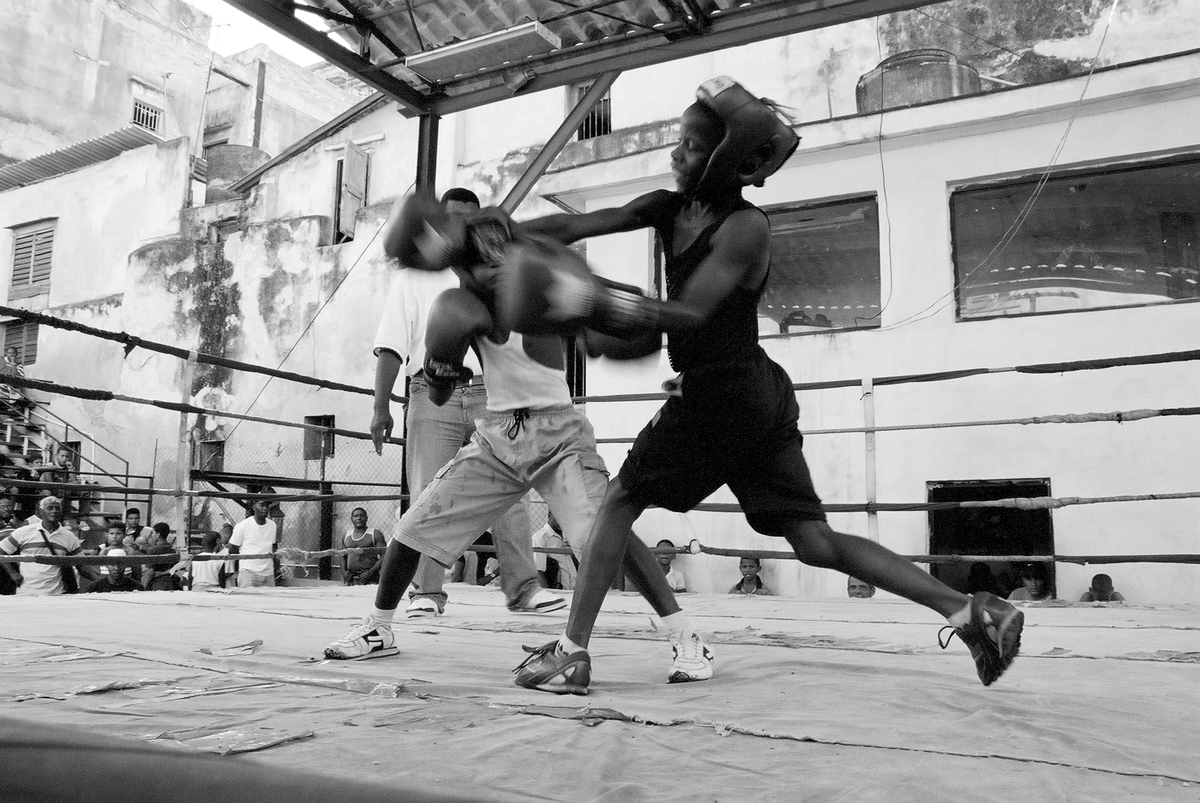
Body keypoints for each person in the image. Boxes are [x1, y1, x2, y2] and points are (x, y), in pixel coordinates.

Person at [501, 76, 1023, 691]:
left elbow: (691, 313)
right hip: (753, 395)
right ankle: (970, 611)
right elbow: (583, 224)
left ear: (727, 160)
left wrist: (591, 302)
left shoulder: (746, 227)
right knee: (814, 543)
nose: (676, 155)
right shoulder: (667, 207)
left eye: (692, 147)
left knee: (618, 501)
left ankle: (571, 652)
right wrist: (505, 236)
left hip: (723, 394)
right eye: (680, 142)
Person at [322, 191, 707, 693]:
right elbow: (438, 396)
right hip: (499, 437)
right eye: (480, 262)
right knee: (415, 525)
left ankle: (686, 636)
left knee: (600, 534)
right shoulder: (460, 302)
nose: (495, 269)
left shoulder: (535, 249)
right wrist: (440, 368)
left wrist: (670, 211)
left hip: (560, 435)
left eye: (500, 258)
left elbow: (607, 217)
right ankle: (377, 628)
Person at [366, 187, 564, 618]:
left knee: (510, 488)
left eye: (467, 218)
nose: (457, 226)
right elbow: (391, 343)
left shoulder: (495, 269)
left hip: (492, 392)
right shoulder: (414, 276)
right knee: (427, 493)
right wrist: (380, 407)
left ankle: (523, 587)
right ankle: (426, 592)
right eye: (450, 216)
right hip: (430, 391)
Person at [0, 496, 100, 595]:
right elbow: (1, 550)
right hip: (27, 592)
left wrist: (101, 582)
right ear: (41, 511)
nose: (54, 511)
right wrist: (13, 573)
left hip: (56, 594)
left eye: (57, 508)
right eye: (50, 508)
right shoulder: (24, 532)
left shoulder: (69, 536)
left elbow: (81, 564)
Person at [229, 498, 278, 588]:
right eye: (262, 505)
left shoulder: (272, 525)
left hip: (268, 573)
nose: (265, 508)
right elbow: (233, 549)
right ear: (254, 507)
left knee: (270, 597)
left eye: (267, 505)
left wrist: (276, 565)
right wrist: (245, 562)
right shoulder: (242, 526)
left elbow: (273, 546)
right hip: (249, 572)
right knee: (248, 597)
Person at [533, 510, 577, 590]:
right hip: (558, 591)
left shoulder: (568, 537)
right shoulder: (540, 538)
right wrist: (547, 594)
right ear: (549, 514)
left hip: (574, 590)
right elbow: (539, 572)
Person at [341, 507, 386, 585]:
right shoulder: (346, 535)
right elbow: (342, 556)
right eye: (356, 516)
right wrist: (344, 572)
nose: (359, 518)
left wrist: (370, 573)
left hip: (370, 579)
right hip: (351, 579)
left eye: (362, 515)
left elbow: (384, 555)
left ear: (366, 518)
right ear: (351, 519)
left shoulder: (375, 534)